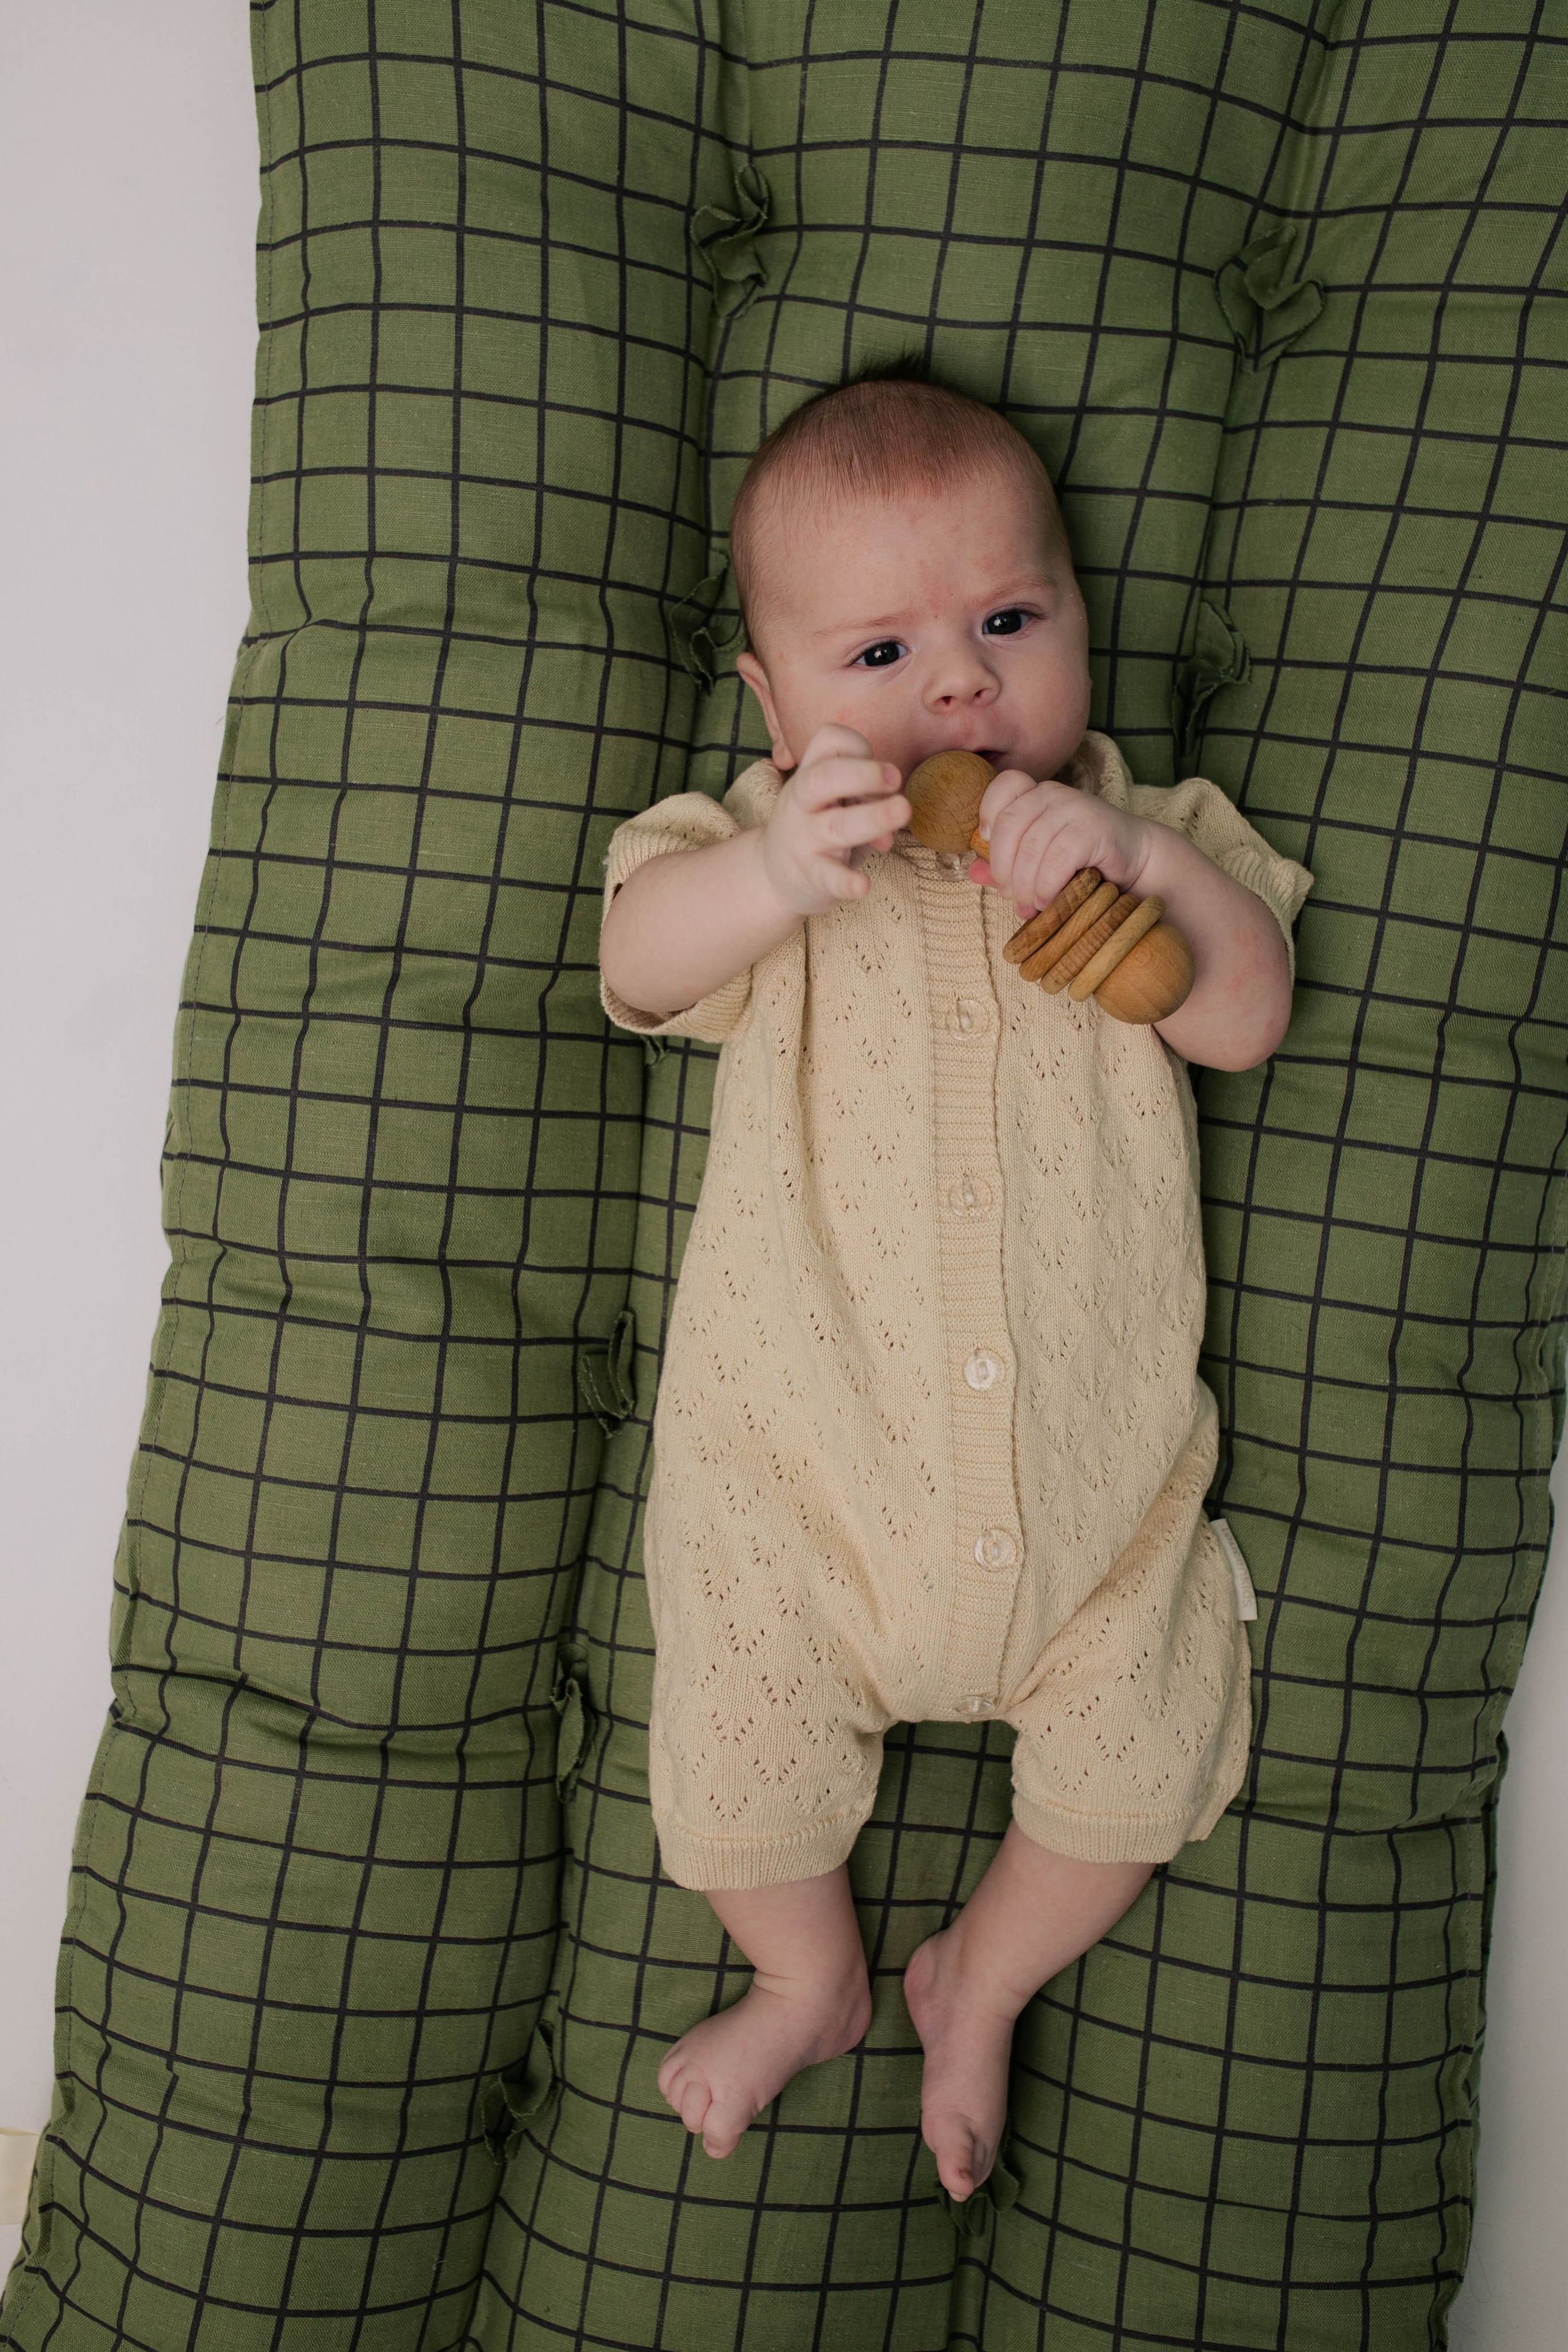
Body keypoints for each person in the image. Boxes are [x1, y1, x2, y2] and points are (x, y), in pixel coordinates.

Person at [596, 373, 1311, 2201]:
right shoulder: (759, 857)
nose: (960, 692)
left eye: (1008, 623)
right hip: (801, 1498)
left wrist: (1143, 865)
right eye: (880, 654)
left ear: (1076, 625)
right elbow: (642, 964)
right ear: (772, 708)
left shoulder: (1136, 832)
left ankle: (975, 1978)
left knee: (1146, 1750)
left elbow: (1242, 1020)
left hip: (1095, 1511)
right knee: (733, 1758)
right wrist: (773, 869)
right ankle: (810, 1980)